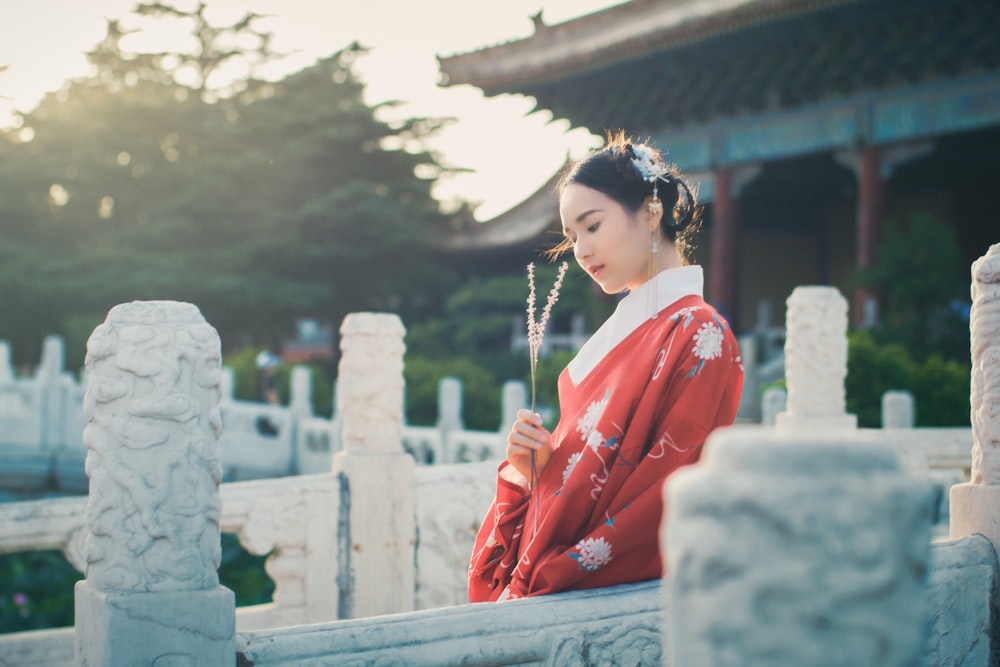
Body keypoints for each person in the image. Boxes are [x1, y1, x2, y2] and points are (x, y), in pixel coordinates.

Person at [468, 132, 744, 602]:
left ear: (652, 212)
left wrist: (556, 567)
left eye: (592, 227)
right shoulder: (627, 330)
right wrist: (538, 469)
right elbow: (589, 468)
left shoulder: (700, 334)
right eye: (572, 236)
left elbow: (663, 487)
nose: (580, 250)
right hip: (564, 563)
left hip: (612, 586)